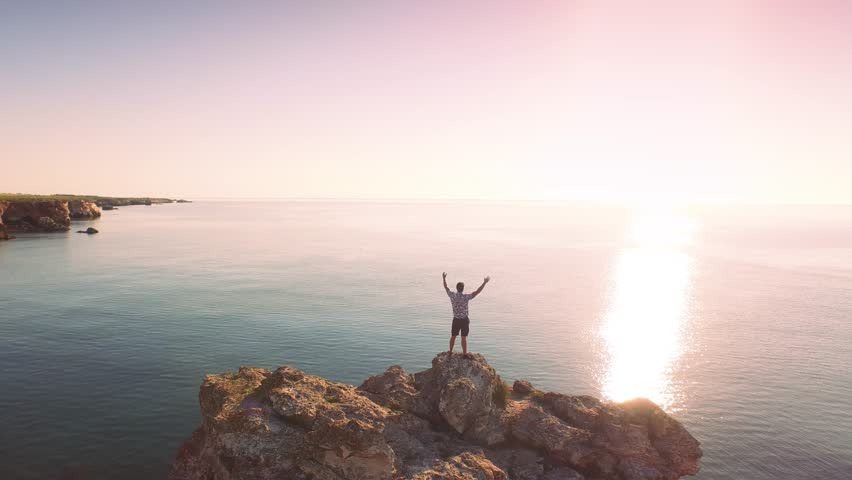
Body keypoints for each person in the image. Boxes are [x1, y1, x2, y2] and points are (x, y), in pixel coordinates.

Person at [442, 272, 490, 355]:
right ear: (463, 289)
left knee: (453, 336)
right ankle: (464, 354)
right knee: (463, 338)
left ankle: (450, 351)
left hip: (456, 319)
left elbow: (446, 287)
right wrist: (484, 282)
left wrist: (444, 278)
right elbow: (477, 291)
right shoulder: (465, 297)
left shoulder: (452, 295)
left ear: (457, 288)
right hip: (464, 320)